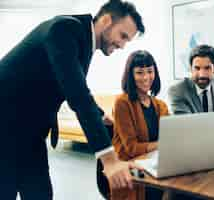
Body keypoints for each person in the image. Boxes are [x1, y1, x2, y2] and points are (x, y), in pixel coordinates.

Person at [0, 0, 145, 199]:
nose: (122, 45)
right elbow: (78, 95)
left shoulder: (80, 38)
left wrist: (101, 116)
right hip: (5, 129)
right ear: (106, 21)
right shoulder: (63, 30)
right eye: (123, 36)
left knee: (39, 194)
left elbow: (73, 86)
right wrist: (109, 159)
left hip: (29, 133)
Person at [112, 50, 168, 199]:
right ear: (131, 75)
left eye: (150, 71)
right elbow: (132, 148)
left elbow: (171, 138)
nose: (146, 77)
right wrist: (161, 144)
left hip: (155, 165)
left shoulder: (160, 105)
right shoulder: (122, 103)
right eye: (139, 72)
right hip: (132, 171)